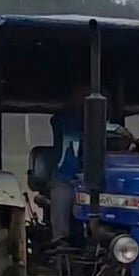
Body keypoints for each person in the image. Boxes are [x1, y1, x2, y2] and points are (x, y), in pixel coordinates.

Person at [49, 84, 88, 244]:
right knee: (61, 200)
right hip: (64, 179)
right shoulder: (63, 120)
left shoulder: (107, 127)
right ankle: (59, 242)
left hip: (92, 181)